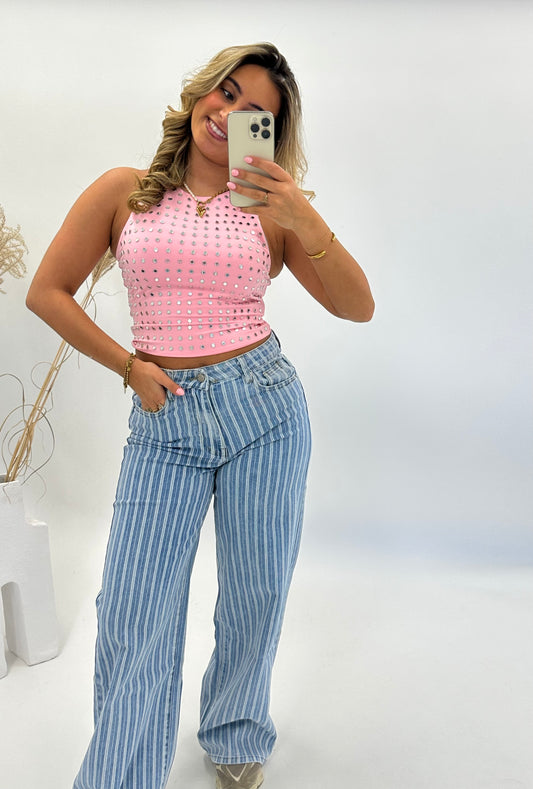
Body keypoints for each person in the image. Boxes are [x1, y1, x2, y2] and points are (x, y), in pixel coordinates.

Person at [26, 42, 374, 789]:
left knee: (256, 593)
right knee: (132, 611)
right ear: (200, 93)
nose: (229, 113)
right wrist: (128, 366)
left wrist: (301, 212)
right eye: (227, 91)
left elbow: (358, 306)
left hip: (264, 411)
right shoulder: (123, 191)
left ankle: (235, 730)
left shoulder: (269, 211)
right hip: (165, 422)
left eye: (256, 113)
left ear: (270, 136)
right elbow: (46, 291)